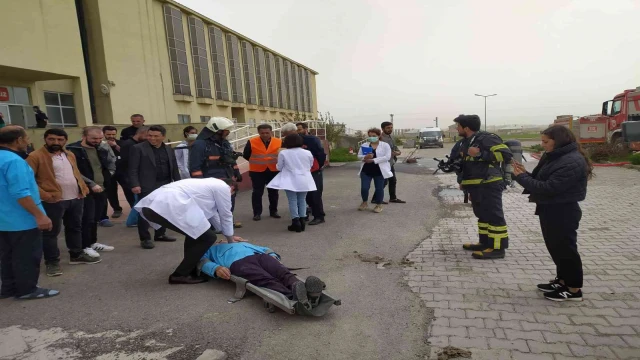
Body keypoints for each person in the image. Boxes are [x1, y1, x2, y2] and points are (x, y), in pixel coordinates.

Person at [513, 125, 591, 302]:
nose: (542, 145)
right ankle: (562, 281)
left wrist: (521, 178)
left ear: (559, 141)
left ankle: (573, 289)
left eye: (546, 142)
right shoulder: (555, 157)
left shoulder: (571, 161)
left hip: (563, 210)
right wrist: (525, 174)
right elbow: (542, 180)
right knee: (556, 248)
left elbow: (549, 187)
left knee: (566, 249)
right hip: (550, 208)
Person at [133, 178, 245, 284]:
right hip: (168, 204)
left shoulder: (207, 185)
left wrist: (229, 235)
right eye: (231, 195)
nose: (229, 197)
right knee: (208, 237)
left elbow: (214, 215)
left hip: (153, 205)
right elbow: (225, 213)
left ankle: (190, 268)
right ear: (232, 188)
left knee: (195, 234)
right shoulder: (223, 187)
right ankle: (179, 274)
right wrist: (231, 241)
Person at [27, 129, 99, 277]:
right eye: (52, 139)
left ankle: (76, 254)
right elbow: (29, 180)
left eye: (60, 140)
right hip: (53, 200)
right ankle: (52, 263)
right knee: (50, 233)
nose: (56, 143)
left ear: (65, 140)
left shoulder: (69, 154)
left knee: (75, 227)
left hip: (75, 198)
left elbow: (76, 173)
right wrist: (46, 196)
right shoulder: (35, 156)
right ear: (45, 139)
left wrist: (82, 188)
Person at [0, 125, 59, 299]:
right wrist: (39, 215)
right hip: (22, 219)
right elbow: (20, 192)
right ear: (18, 140)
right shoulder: (14, 161)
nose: (28, 141)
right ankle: (27, 290)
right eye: (26, 137)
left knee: (7, 256)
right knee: (26, 255)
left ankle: (9, 289)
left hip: (4, 219)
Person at [198, 242, 325, 309]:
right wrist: (216, 268)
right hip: (238, 263)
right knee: (265, 279)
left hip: (260, 257)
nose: (222, 240)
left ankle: (305, 290)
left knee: (282, 272)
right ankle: (293, 296)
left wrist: (273, 256)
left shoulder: (241, 243)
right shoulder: (210, 250)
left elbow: (265, 248)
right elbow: (201, 261)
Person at [455, 115, 512, 260]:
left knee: (494, 216)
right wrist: (462, 180)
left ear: (466, 128)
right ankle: (485, 243)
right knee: (482, 215)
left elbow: (505, 155)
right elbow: (465, 163)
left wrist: (481, 154)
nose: (456, 128)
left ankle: (497, 248)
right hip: (475, 185)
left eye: (458, 126)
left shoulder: (487, 138)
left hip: (489, 183)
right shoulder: (466, 142)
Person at [129, 125, 180, 249]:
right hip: (146, 185)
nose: (152, 138)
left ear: (163, 136)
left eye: (156, 136)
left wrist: (178, 184)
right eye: (150, 135)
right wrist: (135, 184)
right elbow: (132, 168)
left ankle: (160, 234)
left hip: (166, 184)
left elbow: (174, 168)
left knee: (163, 210)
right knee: (145, 212)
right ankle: (145, 238)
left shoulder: (169, 149)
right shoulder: (138, 148)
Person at [67, 127, 115, 255]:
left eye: (100, 138)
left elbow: (111, 162)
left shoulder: (102, 148)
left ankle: (93, 243)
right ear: (84, 136)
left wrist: (109, 175)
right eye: (94, 138)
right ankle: (85, 246)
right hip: (84, 190)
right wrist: (91, 184)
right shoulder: (73, 150)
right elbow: (74, 171)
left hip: (101, 188)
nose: (97, 141)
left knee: (95, 218)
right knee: (86, 218)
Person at [189, 117, 243, 228]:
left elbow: (230, 158)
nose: (228, 132)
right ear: (217, 130)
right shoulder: (200, 145)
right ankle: (212, 226)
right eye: (226, 130)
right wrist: (200, 184)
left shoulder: (224, 143)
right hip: (211, 180)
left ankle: (227, 223)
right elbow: (194, 167)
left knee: (229, 203)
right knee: (212, 205)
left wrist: (236, 170)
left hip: (228, 178)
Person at [267, 133, 316, 232]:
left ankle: (295, 221)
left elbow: (279, 167)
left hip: (289, 179)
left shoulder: (284, 153)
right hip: (304, 178)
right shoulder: (307, 152)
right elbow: (310, 165)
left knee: (292, 200)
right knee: (302, 199)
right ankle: (302, 220)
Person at [242, 124, 282, 221]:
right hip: (257, 171)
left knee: (273, 192)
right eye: (262, 133)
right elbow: (246, 155)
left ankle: (273, 211)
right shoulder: (251, 141)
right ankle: (257, 213)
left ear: (271, 132)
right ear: (259, 132)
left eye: (267, 133)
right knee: (257, 193)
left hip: (273, 170)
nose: (265, 135)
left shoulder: (279, 141)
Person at [293, 122, 327, 225]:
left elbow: (321, 154)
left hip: (314, 171)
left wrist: (318, 167)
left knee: (315, 194)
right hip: (301, 172)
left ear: (305, 129)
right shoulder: (293, 141)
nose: (298, 132)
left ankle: (319, 216)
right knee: (306, 195)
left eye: (299, 129)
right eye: (296, 130)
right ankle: (308, 212)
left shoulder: (312, 140)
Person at [357, 128, 393, 213]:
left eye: (374, 136)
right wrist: (365, 157)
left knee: (379, 188)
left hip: (379, 171)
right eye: (370, 136)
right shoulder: (365, 145)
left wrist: (374, 160)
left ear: (379, 135)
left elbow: (387, 157)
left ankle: (378, 205)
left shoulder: (385, 145)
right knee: (364, 188)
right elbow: (359, 156)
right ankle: (364, 202)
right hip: (366, 170)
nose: (371, 138)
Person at [118, 126, 149, 208]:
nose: (149, 138)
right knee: (135, 204)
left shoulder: (141, 144)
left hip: (139, 178)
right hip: (130, 179)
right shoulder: (128, 145)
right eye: (147, 135)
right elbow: (127, 164)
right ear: (141, 133)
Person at [379, 121, 406, 204]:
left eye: (391, 127)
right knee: (383, 182)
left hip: (390, 162)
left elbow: (395, 148)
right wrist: (389, 153)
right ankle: (376, 198)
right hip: (382, 163)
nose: (390, 129)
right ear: (383, 129)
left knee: (393, 180)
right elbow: (377, 150)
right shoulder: (380, 138)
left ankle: (393, 198)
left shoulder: (391, 137)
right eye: (388, 128)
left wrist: (397, 152)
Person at [101, 126, 124, 219]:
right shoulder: (100, 144)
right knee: (111, 192)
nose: (111, 136)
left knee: (128, 190)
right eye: (108, 134)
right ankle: (117, 209)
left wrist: (115, 146)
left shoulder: (121, 143)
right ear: (103, 134)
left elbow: (126, 154)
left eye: (113, 134)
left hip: (122, 171)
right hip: (108, 172)